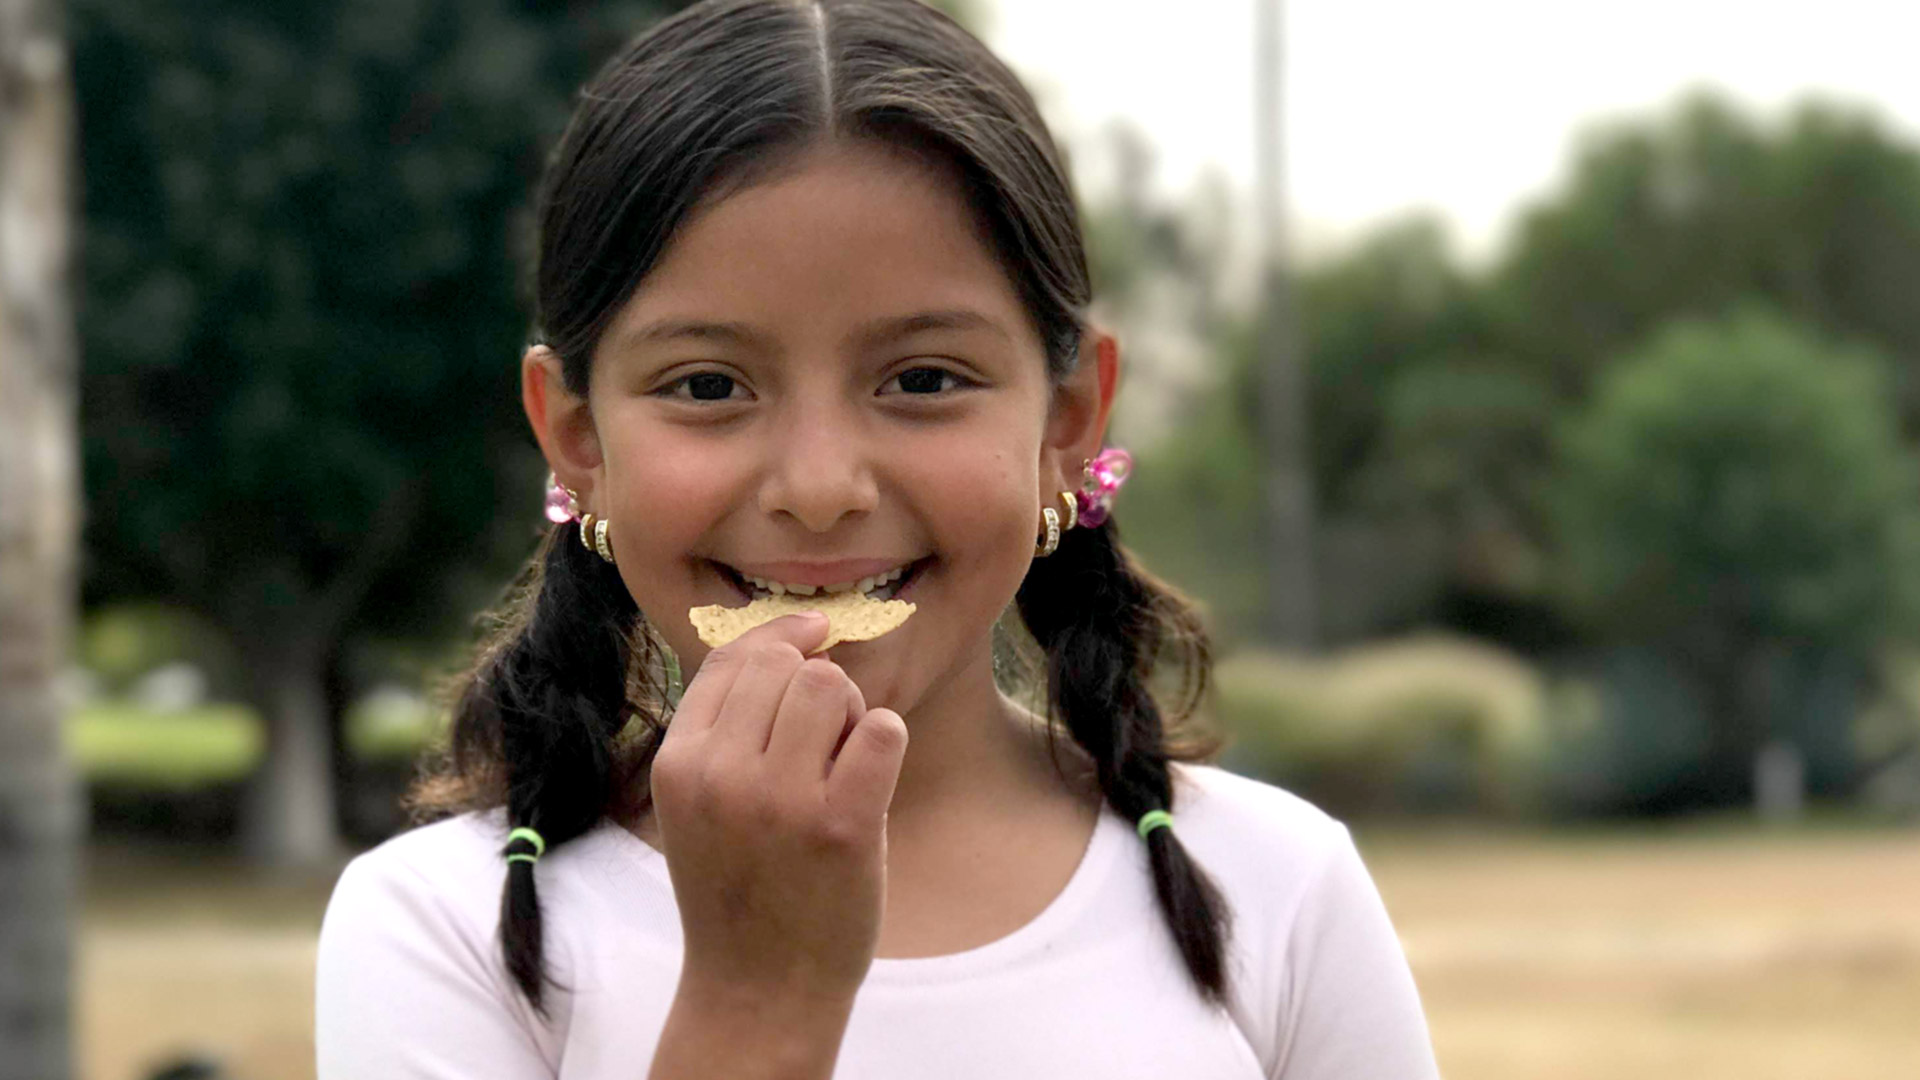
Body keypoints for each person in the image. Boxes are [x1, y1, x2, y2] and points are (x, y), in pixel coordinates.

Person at [313, 1, 1441, 1077]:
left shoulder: (1277, 890)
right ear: (576, 437)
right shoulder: (444, 928)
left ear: (1067, 421)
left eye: (923, 379)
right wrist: (758, 1001)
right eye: (708, 384)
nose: (818, 488)